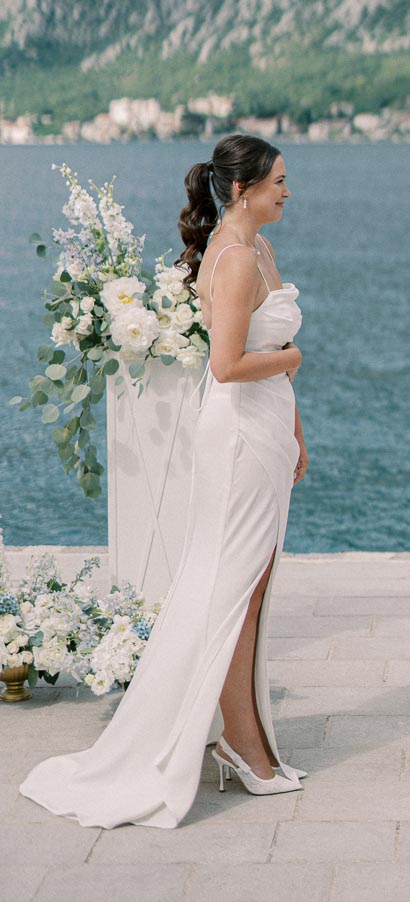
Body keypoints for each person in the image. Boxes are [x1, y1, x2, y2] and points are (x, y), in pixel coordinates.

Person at [20, 134, 310, 828]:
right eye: (277, 181)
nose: (287, 192)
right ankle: (239, 744)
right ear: (241, 190)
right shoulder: (233, 259)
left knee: (254, 586)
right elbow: (229, 366)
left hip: (268, 429)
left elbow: (264, 352)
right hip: (238, 434)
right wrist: (295, 359)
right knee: (231, 588)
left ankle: (245, 737)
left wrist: (299, 430)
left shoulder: (261, 249)